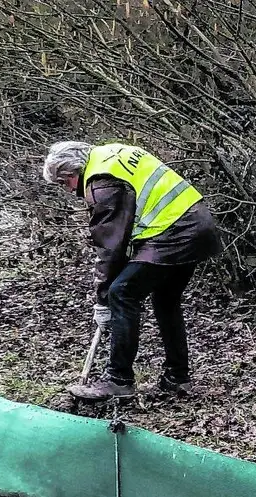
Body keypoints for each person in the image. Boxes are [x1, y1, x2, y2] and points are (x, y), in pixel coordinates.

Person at [41, 141, 221, 400]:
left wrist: (102, 300)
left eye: (64, 184)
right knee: (165, 300)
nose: (70, 191)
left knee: (122, 293)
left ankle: (119, 380)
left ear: (71, 174)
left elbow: (110, 246)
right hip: (197, 224)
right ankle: (177, 378)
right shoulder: (109, 154)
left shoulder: (102, 182)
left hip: (173, 232)